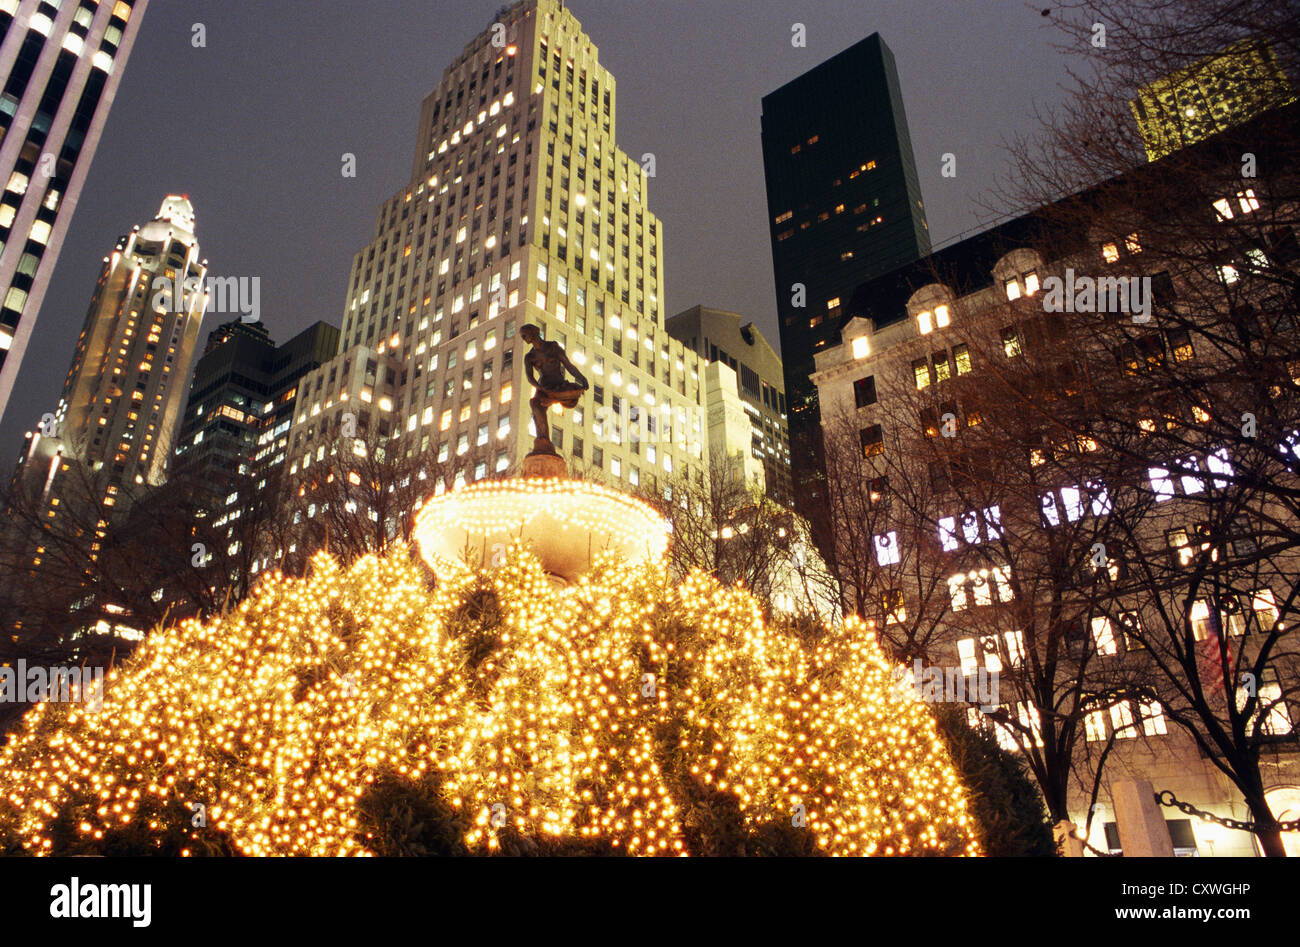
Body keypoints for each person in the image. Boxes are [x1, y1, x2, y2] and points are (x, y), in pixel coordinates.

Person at [520, 324, 588, 448]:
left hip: (559, 384)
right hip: (544, 386)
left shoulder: (553, 347)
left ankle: (553, 399)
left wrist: (581, 377)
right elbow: (530, 377)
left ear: (533, 332)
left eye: (524, 334)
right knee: (535, 403)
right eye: (522, 336)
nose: (523, 338)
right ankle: (543, 440)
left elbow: (568, 365)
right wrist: (540, 388)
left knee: (576, 393)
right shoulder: (529, 357)